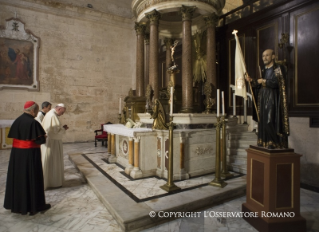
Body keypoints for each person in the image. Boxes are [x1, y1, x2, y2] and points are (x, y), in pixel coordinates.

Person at [3, 101, 51, 215]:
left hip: (17, 155)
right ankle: (35, 205)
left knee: (18, 178)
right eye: (36, 110)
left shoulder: (18, 120)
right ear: (33, 110)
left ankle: (16, 204)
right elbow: (40, 140)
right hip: (30, 155)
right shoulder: (33, 123)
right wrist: (44, 136)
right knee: (31, 178)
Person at [246, 49, 289, 149]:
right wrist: (252, 81)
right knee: (263, 120)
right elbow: (258, 84)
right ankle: (263, 140)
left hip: (272, 97)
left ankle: (273, 141)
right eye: (263, 56)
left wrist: (263, 81)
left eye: (267, 55)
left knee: (270, 119)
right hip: (263, 98)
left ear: (273, 56)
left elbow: (279, 83)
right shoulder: (264, 70)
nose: (264, 58)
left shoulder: (278, 68)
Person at [41, 103, 69, 190]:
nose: (62, 114)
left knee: (51, 162)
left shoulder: (50, 114)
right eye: (62, 112)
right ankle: (53, 182)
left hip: (50, 141)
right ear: (59, 109)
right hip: (53, 143)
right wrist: (64, 128)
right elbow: (55, 131)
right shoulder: (52, 116)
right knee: (54, 161)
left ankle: (50, 181)